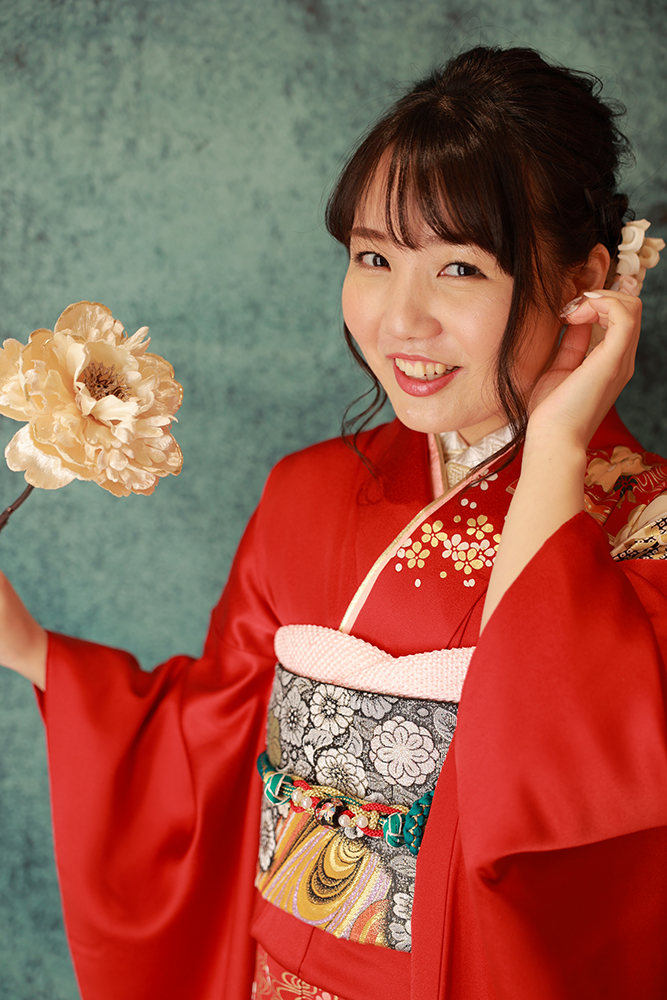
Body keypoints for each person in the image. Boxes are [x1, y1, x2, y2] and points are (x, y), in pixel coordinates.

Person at [1, 44, 667, 1000]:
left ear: (584, 280)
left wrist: (558, 446)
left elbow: (554, 799)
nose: (400, 320)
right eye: (373, 258)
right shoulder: (307, 491)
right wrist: (32, 650)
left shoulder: (644, 530)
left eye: (460, 268)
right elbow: (213, 741)